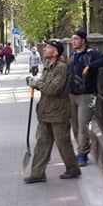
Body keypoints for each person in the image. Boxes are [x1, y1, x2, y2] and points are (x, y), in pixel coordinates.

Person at [24, 40, 80, 183]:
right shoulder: (47, 66)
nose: (44, 49)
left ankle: (73, 169)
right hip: (45, 111)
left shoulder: (61, 68)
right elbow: (46, 85)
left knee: (63, 143)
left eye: (48, 48)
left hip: (58, 113)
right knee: (41, 143)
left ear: (55, 52)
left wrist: (37, 83)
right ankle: (37, 174)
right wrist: (34, 83)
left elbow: (54, 89)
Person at [68, 30, 103, 166]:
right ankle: (80, 148)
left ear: (83, 40)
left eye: (76, 39)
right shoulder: (72, 56)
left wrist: (90, 66)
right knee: (75, 126)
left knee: (83, 125)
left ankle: (83, 153)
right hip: (72, 95)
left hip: (86, 95)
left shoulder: (91, 54)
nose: (73, 42)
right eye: (72, 39)